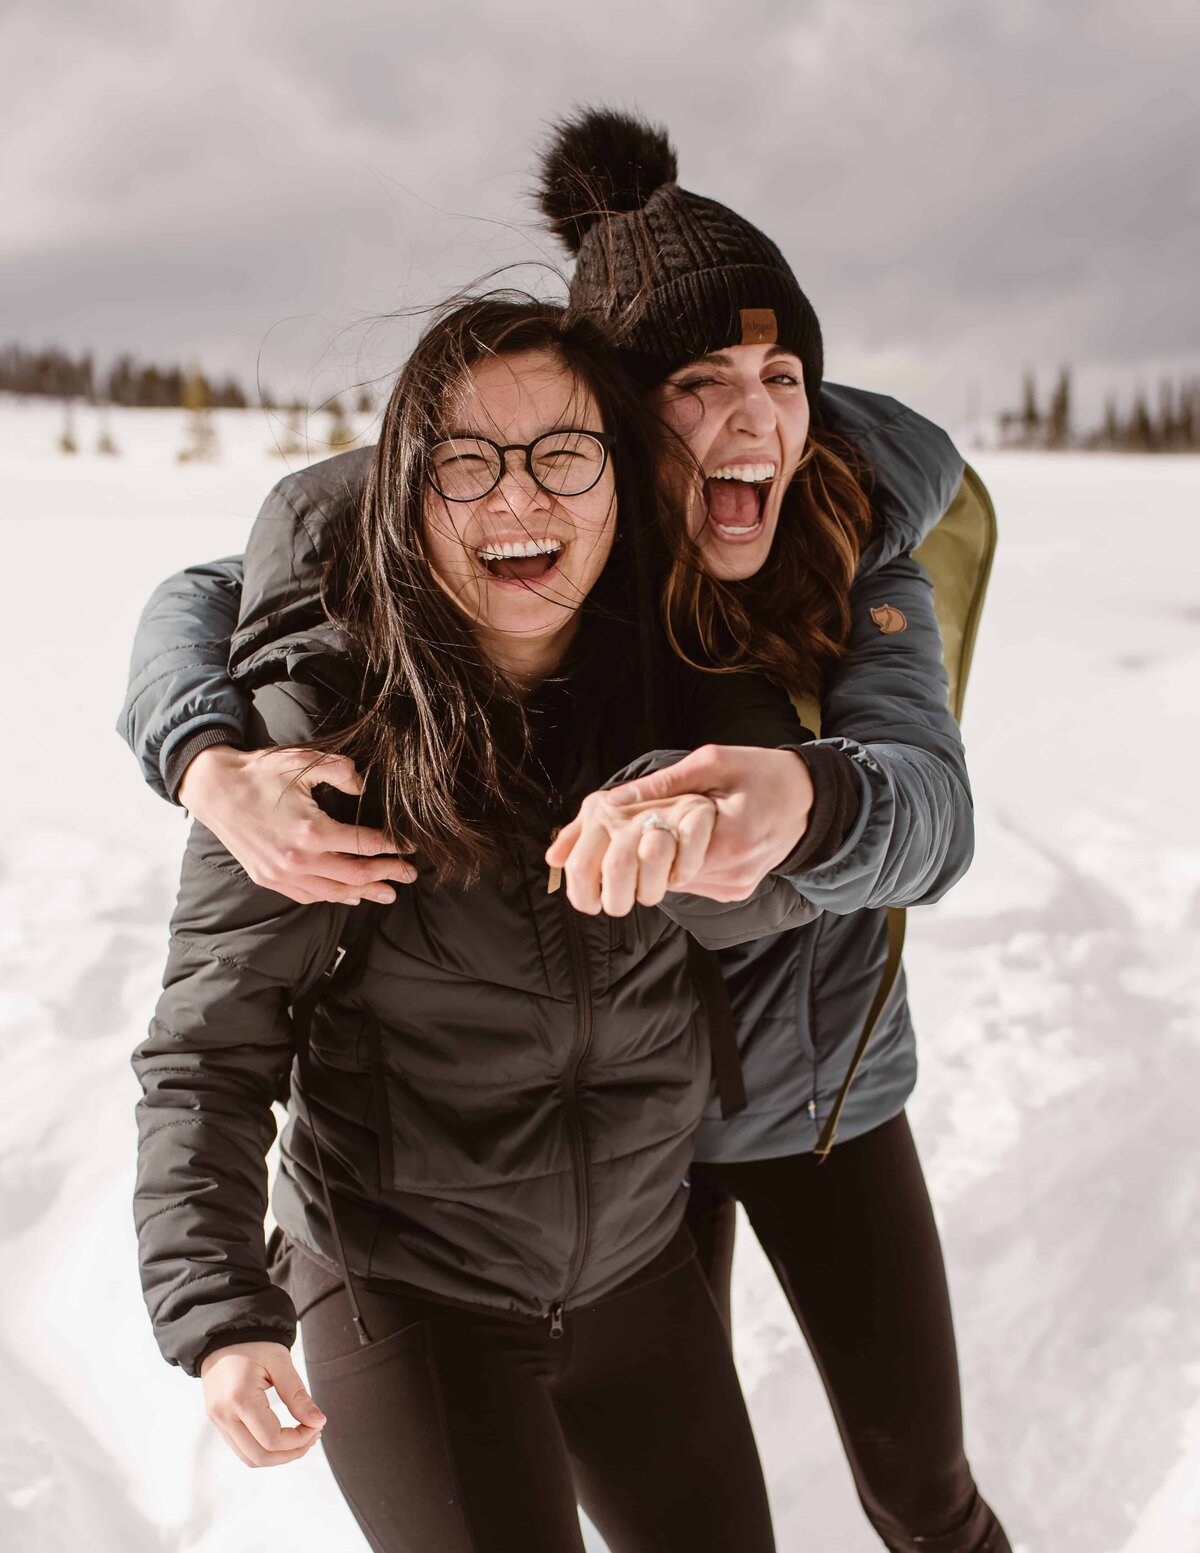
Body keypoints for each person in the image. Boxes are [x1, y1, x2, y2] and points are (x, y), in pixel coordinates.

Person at [121, 111, 1011, 1552]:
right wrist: (206, 758)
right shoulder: (444, 583)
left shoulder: (827, 557)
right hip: (597, 1171)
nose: (751, 423)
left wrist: (792, 807)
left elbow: (929, 808)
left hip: (790, 1090)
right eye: (695, 383)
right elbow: (224, 590)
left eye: (781, 378)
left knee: (914, 1479)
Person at [132, 295, 826, 1553]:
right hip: (412, 1292)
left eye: (565, 453)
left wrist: (715, 849)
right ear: (406, 495)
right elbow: (205, 1052)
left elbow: (791, 878)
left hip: (639, 1273)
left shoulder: (682, 689)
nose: (519, 501)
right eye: (466, 461)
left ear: (623, 483)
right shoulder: (318, 741)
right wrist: (222, 1309)